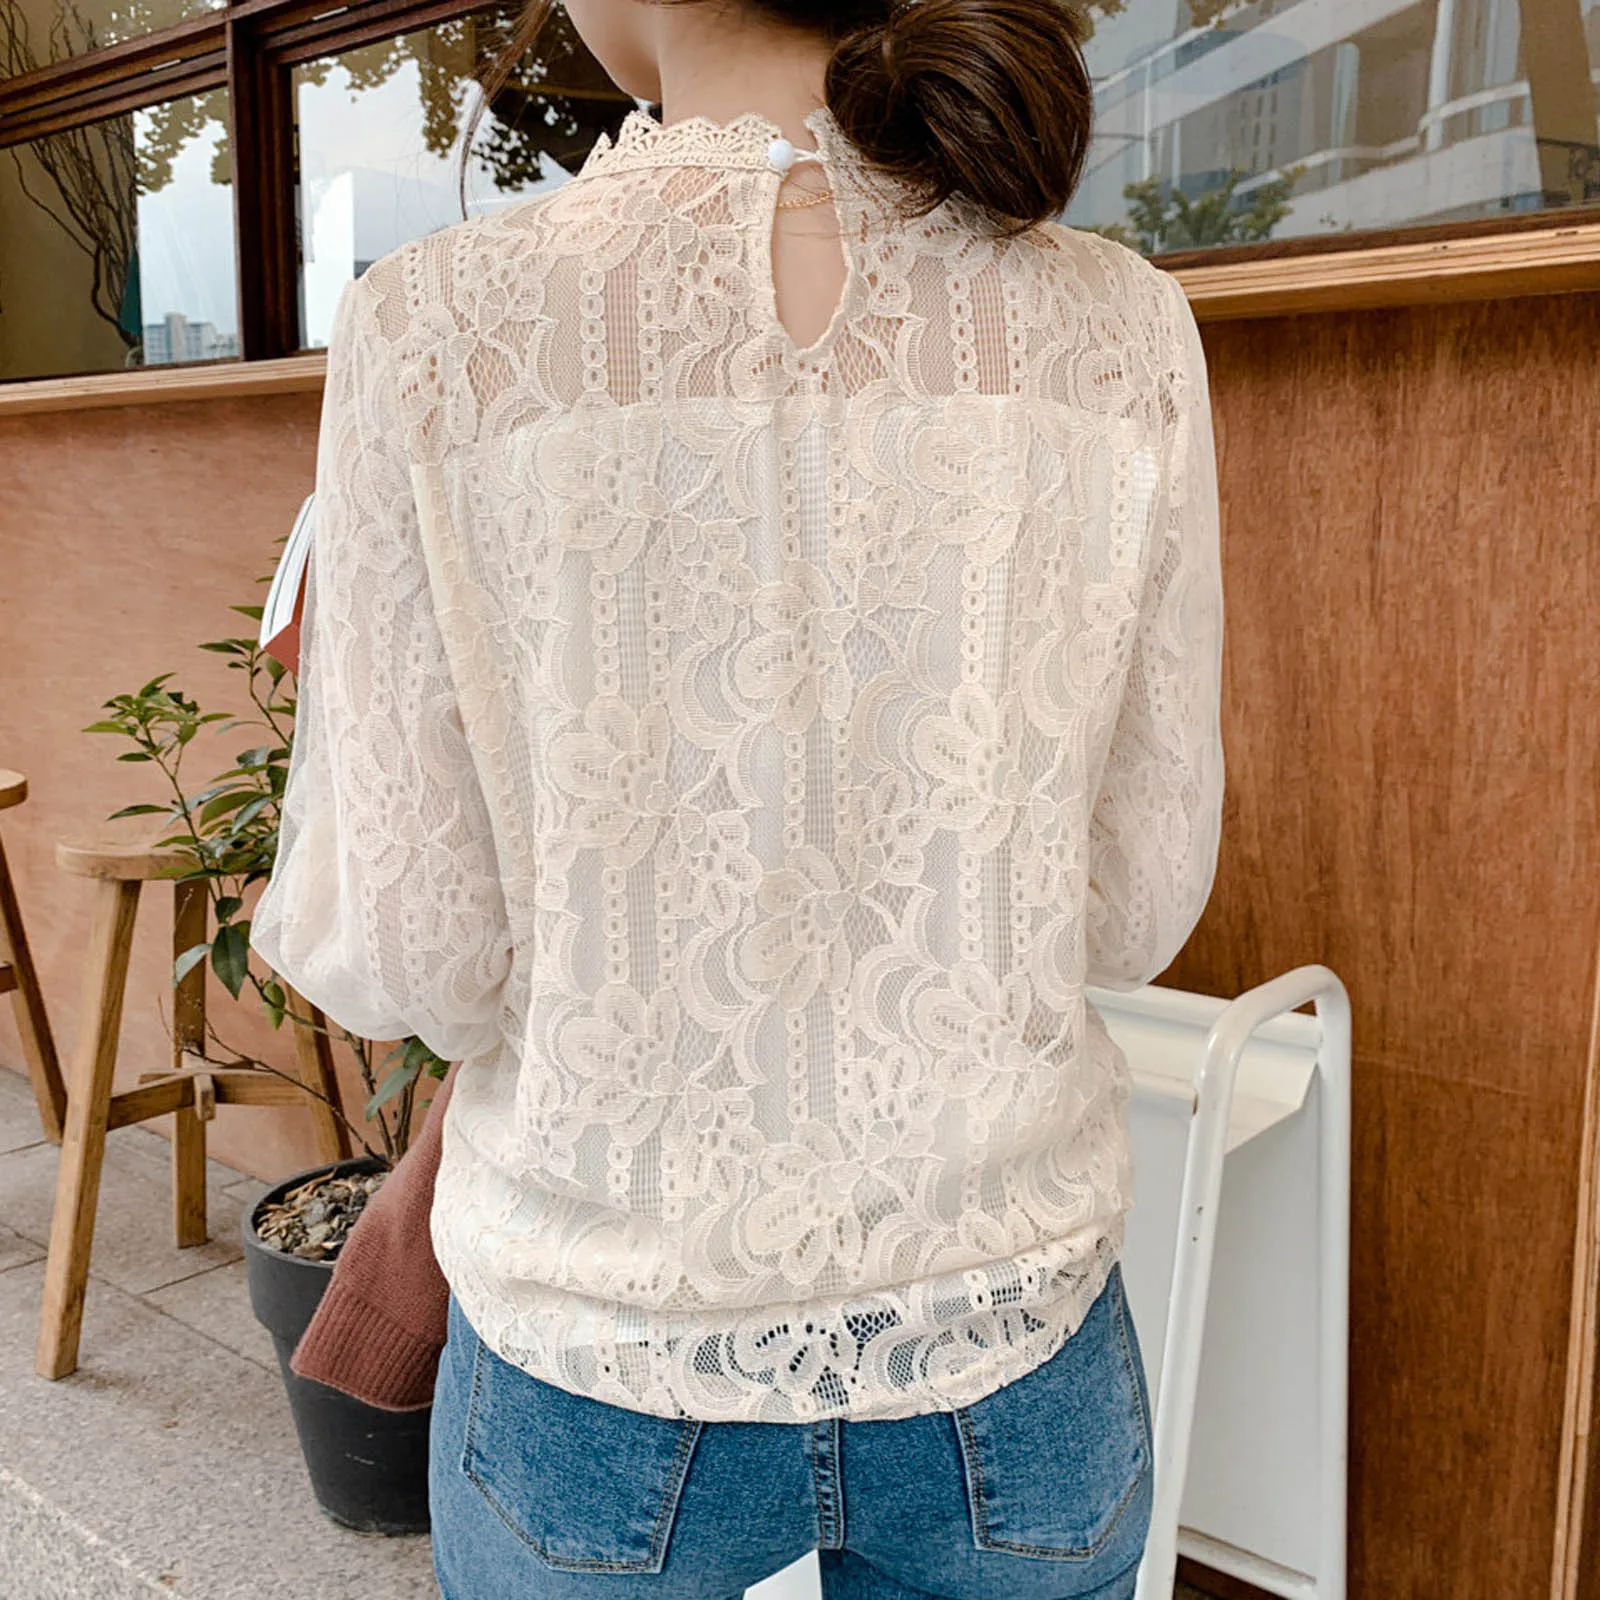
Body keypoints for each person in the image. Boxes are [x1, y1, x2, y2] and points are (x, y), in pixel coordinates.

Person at [246, 0, 1225, 1587]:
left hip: (600, 1343)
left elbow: (415, 958)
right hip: (1010, 1333)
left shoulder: (434, 329)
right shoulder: (1122, 328)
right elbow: (1134, 909)